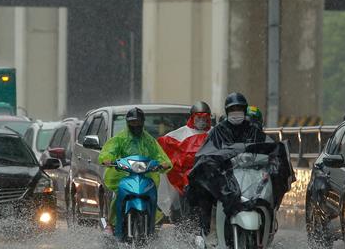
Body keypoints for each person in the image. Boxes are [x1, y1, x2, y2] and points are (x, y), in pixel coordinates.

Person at [186, 93, 267, 238]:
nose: (236, 112)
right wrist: (213, 163)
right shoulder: (217, 131)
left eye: (239, 108)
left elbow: (267, 148)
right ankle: (204, 232)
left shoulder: (254, 130)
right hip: (224, 176)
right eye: (233, 109)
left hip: (249, 174)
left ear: (244, 110)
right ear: (227, 111)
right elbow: (206, 152)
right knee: (204, 192)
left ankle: (269, 224)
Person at [98, 107, 172, 236]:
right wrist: (108, 160)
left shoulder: (149, 140)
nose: (135, 125)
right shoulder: (120, 138)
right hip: (123, 175)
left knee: (153, 197)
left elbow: (159, 155)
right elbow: (108, 151)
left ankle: (153, 224)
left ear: (142, 122)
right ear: (127, 123)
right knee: (118, 196)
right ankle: (111, 223)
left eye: (138, 122)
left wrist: (163, 163)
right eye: (132, 122)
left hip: (146, 175)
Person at [156, 101, 212, 221]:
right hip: (188, 181)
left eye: (205, 117)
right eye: (199, 117)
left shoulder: (215, 133)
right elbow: (165, 147)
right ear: (192, 117)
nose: (202, 120)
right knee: (186, 207)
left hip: (211, 179)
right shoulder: (181, 134)